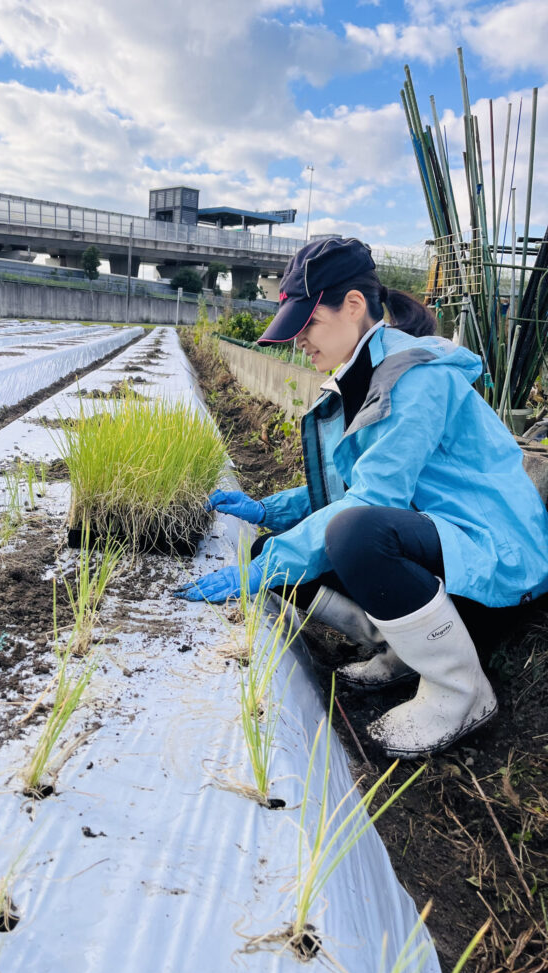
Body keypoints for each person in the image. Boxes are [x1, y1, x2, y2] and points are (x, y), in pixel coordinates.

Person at [174, 237, 548, 759]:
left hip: (495, 565)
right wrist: (269, 513)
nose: (298, 341)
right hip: (444, 553)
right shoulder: (362, 374)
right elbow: (351, 484)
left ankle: (460, 691)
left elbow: (373, 498)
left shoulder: (415, 377)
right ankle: (404, 650)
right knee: (274, 551)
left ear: (352, 305)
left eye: (308, 323)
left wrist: (278, 559)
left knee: (349, 534)